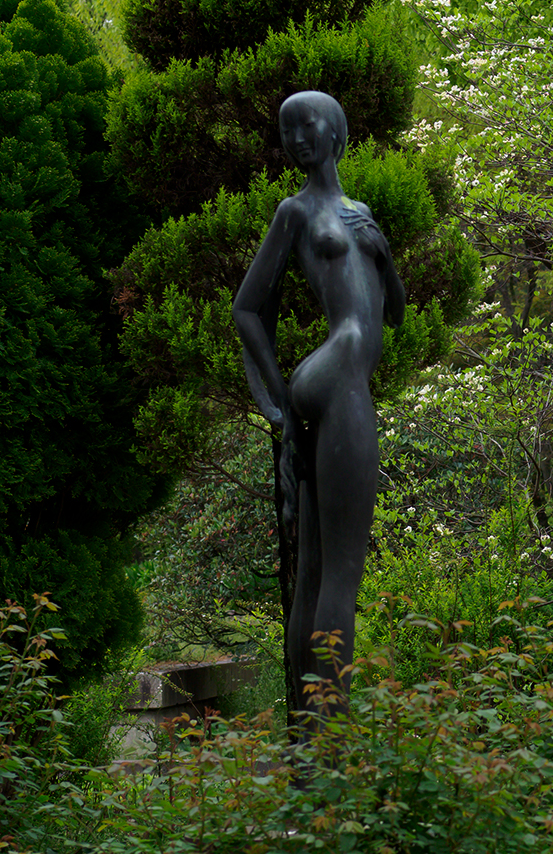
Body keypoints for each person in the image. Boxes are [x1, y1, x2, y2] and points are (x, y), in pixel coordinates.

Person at [233, 90, 405, 713]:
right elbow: (248, 308)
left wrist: (383, 254)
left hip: (345, 375)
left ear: (336, 132)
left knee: (315, 569)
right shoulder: (295, 211)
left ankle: (312, 736)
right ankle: (330, 738)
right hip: (335, 376)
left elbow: (397, 313)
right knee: (343, 576)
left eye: (309, 125)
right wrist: (278, 407)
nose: (298, 137)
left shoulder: (360, 214)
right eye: (288, 129)